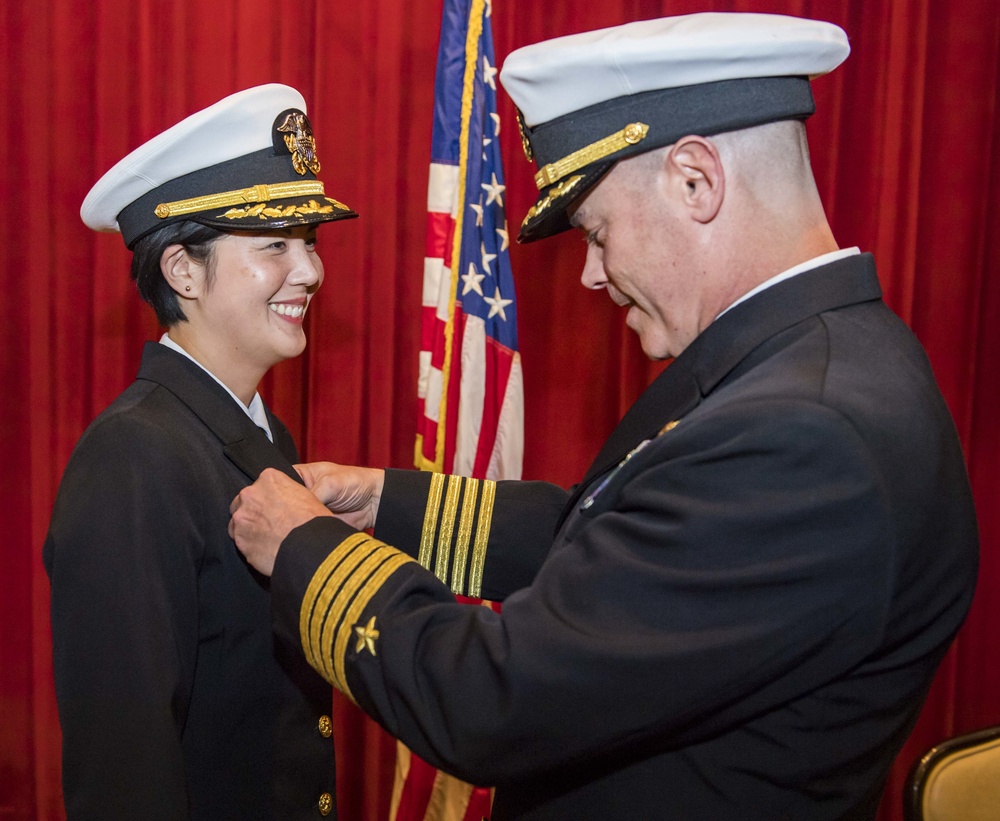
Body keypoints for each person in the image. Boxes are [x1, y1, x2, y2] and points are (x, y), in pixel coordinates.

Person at [229, 14, 979, 821]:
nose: (591, 273)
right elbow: (617, 542)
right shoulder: (819, 358)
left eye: (596, 229)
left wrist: (307, 549)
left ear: (697, 179)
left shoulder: (804, 432)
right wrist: (387, 502)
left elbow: (494, 698)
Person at [44, 84, 357, 820]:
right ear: (183, 272)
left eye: (308, 242)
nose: (309, 270)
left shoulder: (262, 433)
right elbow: (125, 763)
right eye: (276, 244)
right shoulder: (133, 456)